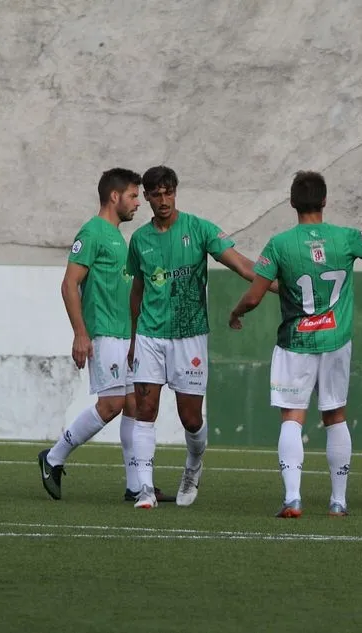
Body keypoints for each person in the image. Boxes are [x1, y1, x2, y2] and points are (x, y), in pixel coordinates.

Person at [227, 171, 362, 518]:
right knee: (335, 416)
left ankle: (293, 498)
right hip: (336, 341)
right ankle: (338, 501)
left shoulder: (280, 244)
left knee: (292, 418)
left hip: (295, 343)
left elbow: (254, 296)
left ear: (292, 202)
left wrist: (236, 311)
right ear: (325, 201)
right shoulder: (344, 238)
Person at [126, 165, 272, 509]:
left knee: (190, 418)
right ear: (146, 197)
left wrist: (277, 286)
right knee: (145, 410)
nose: (163, 200)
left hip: (189, 335)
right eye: (156, 194)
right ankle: (145, 490)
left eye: (169, 193)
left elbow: (240, 264)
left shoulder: (199, 228)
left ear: (176, 192)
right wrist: (133, 337)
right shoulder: (140, 240)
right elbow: (137, 289)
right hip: (150, 334)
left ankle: (193, 467)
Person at [38, 168, 176, 503]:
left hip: (125, 335)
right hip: (104, 333)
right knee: (112, 404)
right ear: (114, 197)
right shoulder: (93, 231)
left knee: (133, 404)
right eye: (132, 196)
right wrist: (80, 334)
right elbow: (69, 283)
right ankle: (54, 457)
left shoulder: (118, 237)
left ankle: (135, 486)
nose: (137, 203)